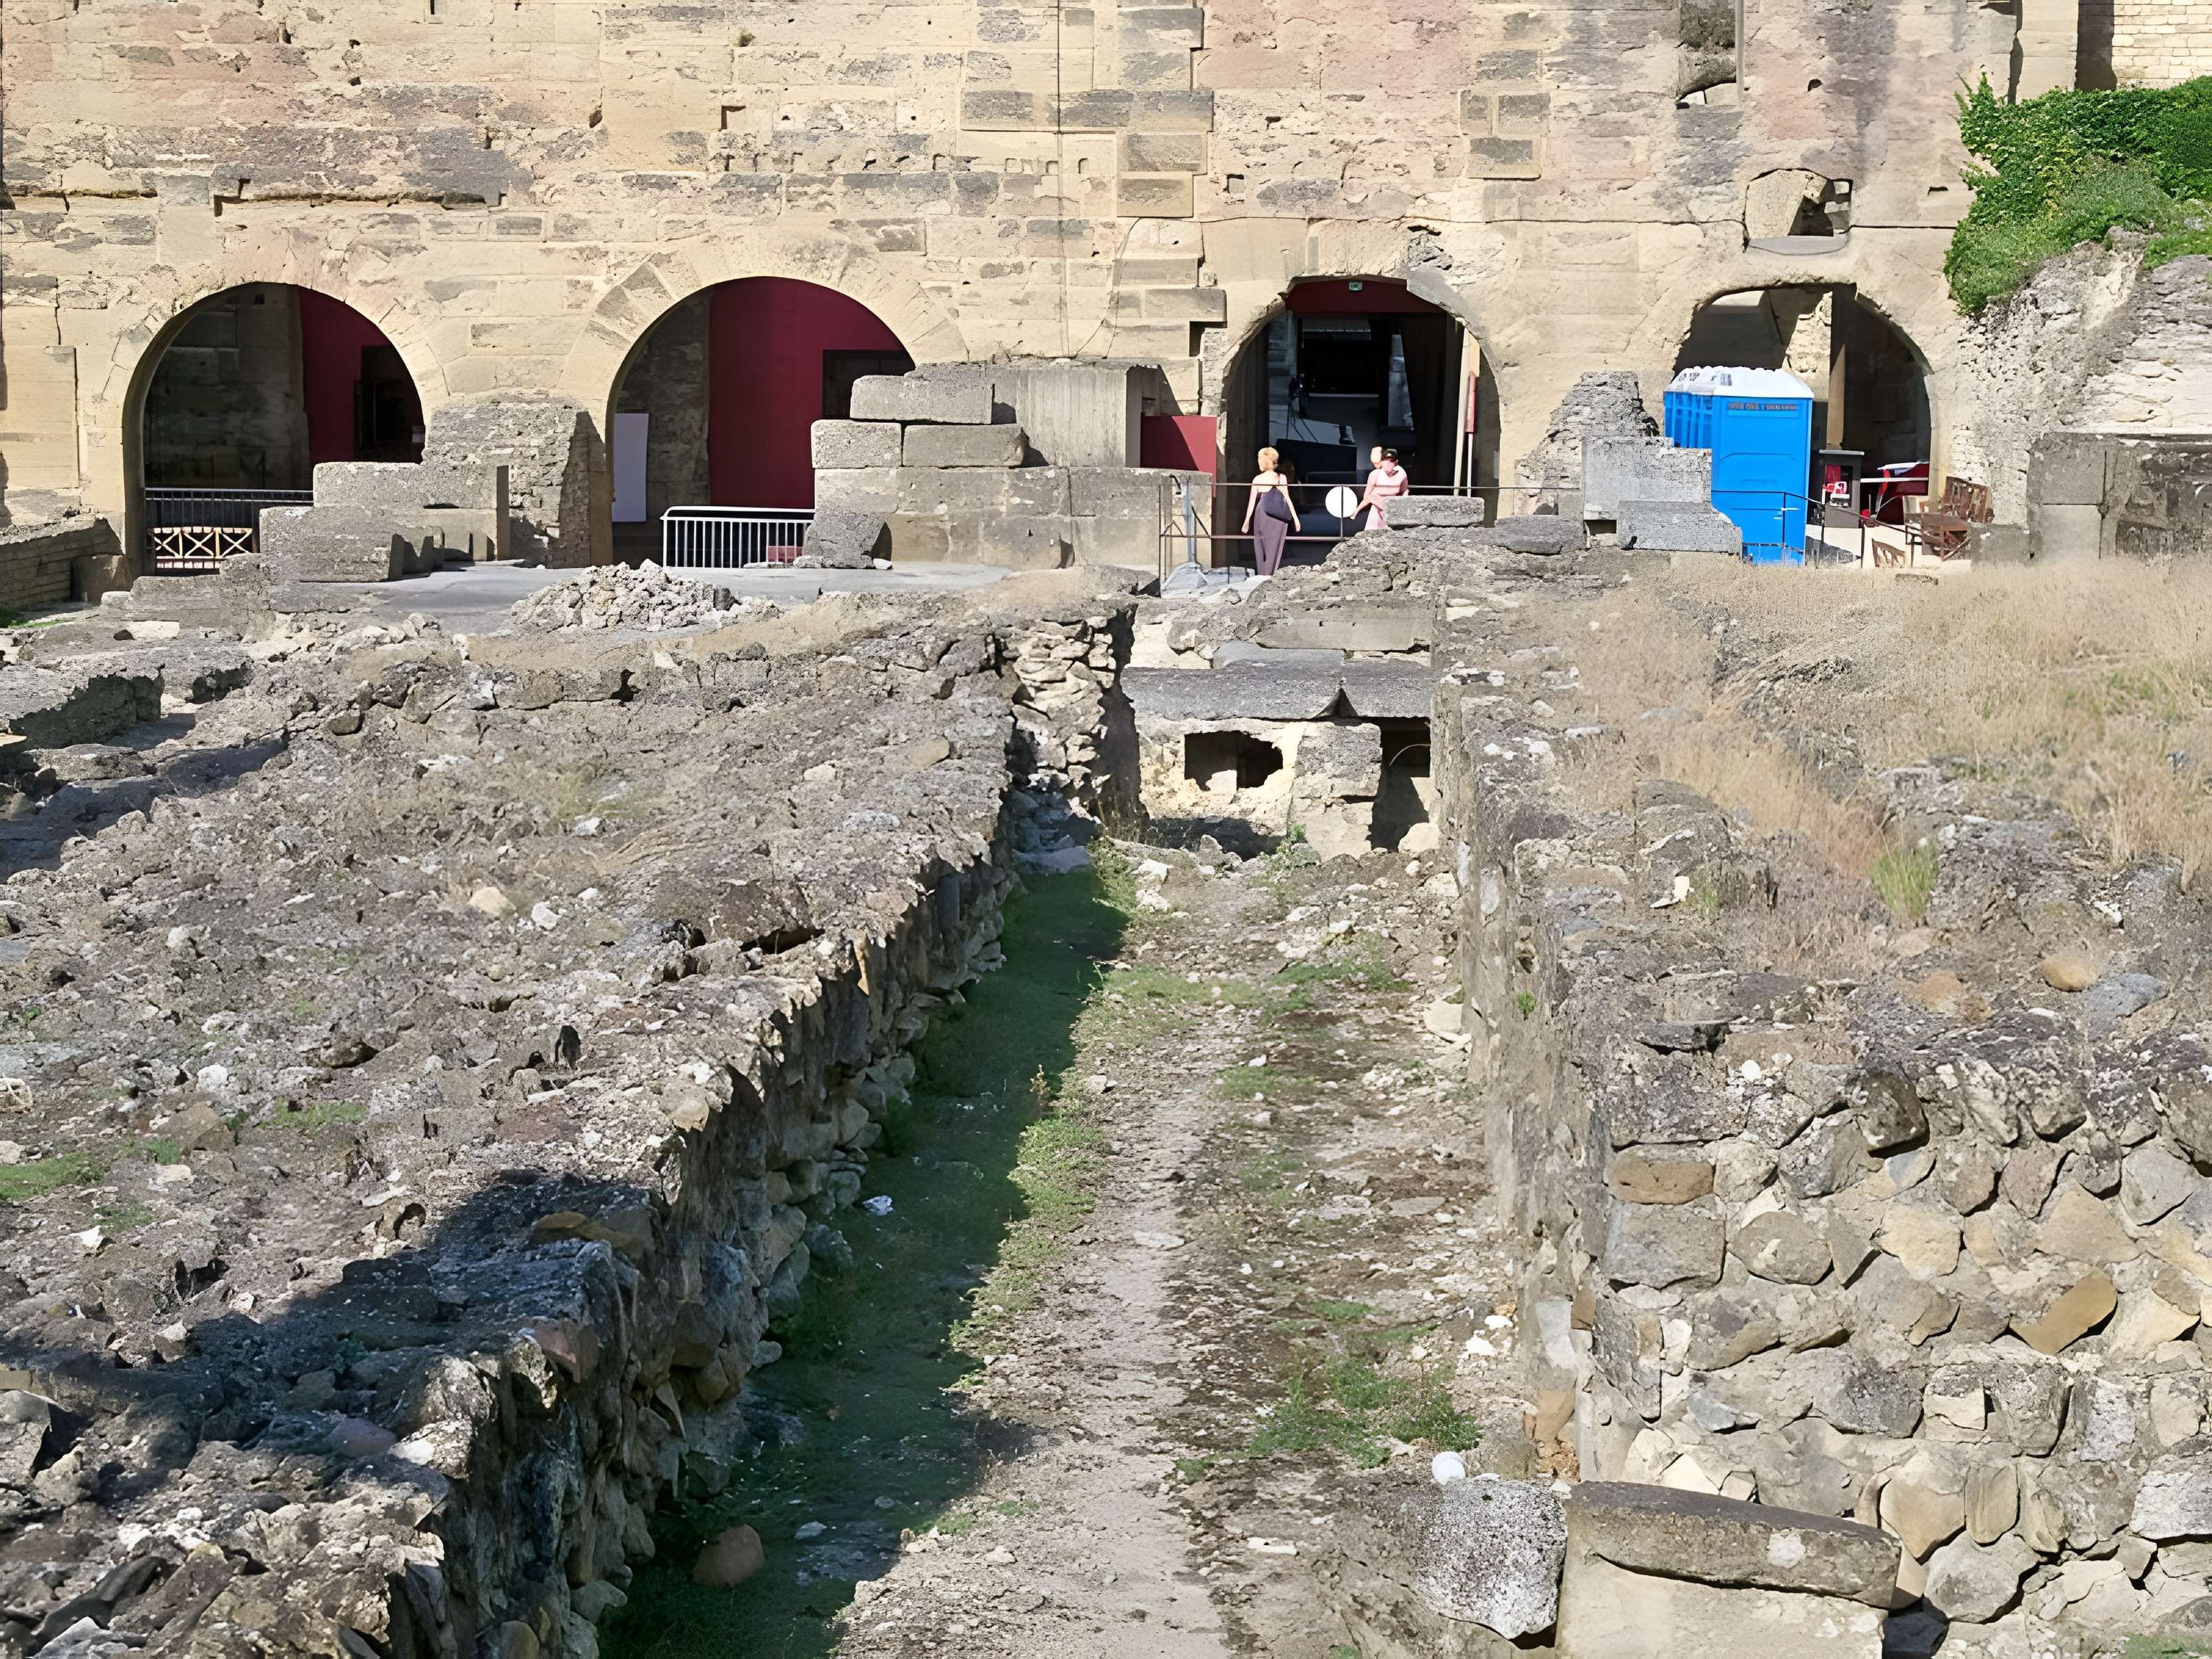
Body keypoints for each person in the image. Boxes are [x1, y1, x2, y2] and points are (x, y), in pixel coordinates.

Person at [1241, 446, 1299, 577]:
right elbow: (1287, 498)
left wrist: (1247, 522)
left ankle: (1262, 575)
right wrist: (1295, 518)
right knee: (1274, 548)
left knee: (1260, 547)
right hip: (1276, 516)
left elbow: (1252, 502)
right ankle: (1269, 575)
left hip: (1261, 514)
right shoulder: (1281, 477)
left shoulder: (1257, 479)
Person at [1358, 446, 1410, 531]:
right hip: (1377, 511)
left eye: (1390, 461)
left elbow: (1403, 491)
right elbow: (1367, 496)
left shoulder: (1401, 473)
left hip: (1392, 510)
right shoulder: (1374, 475)